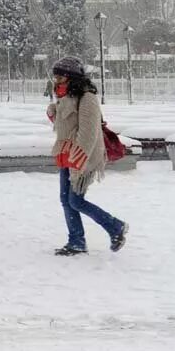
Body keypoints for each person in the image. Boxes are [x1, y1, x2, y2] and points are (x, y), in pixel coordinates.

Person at [47, 56, 129, 256]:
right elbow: (64, 125)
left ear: (71, 77)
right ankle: (76, 241)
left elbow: (89, 132)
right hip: (66, 153)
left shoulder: (87, 98)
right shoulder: (65, 97)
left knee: (75, 201)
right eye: (55, 76)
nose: (56, 80)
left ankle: (115, 226)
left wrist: (79, 158)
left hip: (82, 156)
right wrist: (53, 112)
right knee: (65, 200)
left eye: (60, 77)